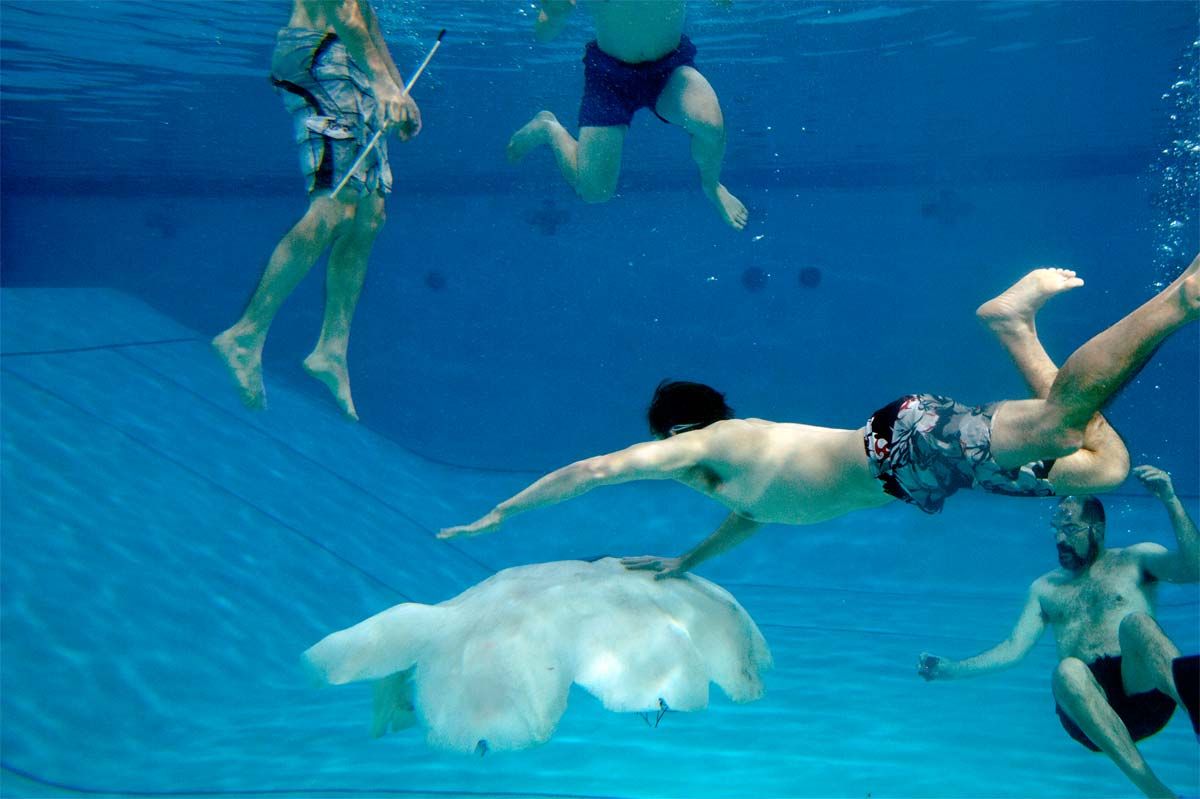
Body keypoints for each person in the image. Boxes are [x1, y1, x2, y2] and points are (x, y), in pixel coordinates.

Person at [439, 260, 1200, 578]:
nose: (657, 454)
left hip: (902, 449)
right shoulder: (732, 478)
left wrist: (502, 513)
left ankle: (1182, 297)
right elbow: (753, 515)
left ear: (677, 430)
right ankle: (1013, 330)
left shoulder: (708, 445)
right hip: (917, 467)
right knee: (1104, 465)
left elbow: (597, 470)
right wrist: (683, 566)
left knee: (1067, 423)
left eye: (659, 439)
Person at [916, 468, 1199, 799]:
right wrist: (951, 669)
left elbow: (1194, 569)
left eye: (1070, 529)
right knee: (1068, 671)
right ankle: (1161, 795)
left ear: (1097, 529)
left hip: (1144, 693)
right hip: (1086, 710)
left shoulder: (1136, 559)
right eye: (1055, 529)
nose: (1060, 539)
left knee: (1138, 624)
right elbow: (1013, 649)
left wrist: (1170, 500)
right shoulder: (1046, 588)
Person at [212, 0, 421, 420]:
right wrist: (382, 85)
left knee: (370, 215)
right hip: (321, 56)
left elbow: (366, 16)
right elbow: (344, 12)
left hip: (349, 59)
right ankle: (245, 335)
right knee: (334, 207)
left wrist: (398, 89)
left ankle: (331, 349)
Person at [506, 0, 749, 231]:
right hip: (610, 78)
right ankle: (549, 128)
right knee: (594, 192)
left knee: (711, 125)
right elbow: (543, 34)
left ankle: (712, 186)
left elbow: (724, 5)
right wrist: (555, 13)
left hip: (669, 67)